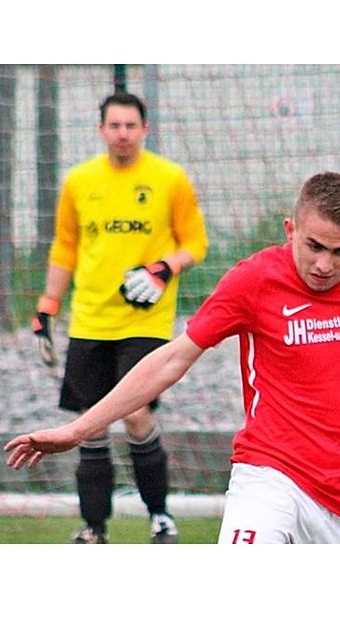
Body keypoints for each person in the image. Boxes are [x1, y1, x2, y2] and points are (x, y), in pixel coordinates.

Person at [9, 171, 340, 544]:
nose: (324, 265)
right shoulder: (252, 280)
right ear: (292, 230)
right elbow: (173, 359)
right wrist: (80, 429)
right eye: (313, 245)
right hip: (271, 475)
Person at [29, 91, 209, 544]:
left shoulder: (168, 178)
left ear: (144, 129)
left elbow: (195, 243)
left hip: (144, 322)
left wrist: (165, 267)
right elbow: (65, 248)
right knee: (89, 423)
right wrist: (48, 305)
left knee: (136, 415)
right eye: (115, 126)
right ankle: (94, 526)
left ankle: (160, 516)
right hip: (89, 320)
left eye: (131, 126)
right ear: (101, 130)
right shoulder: (79, 181)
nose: (123, 134)